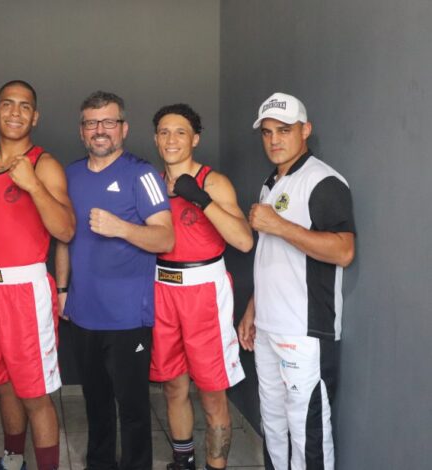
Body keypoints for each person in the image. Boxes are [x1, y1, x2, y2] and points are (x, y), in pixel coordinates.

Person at [0, 80, 75, 470]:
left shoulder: (44, 164)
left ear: (34, 117)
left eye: (24, 106)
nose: (15, 113)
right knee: (4, 386)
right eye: (8, 104)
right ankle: (13, 458)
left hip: (25, 291)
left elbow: (66, 230)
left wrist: (33, 186)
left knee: (34, 393)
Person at [55, 91, 174, 470]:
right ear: (82, 131)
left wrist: (121, 227)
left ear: (123, 128)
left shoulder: (142, 174)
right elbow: (63, 237)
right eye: (92, 123)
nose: (100, 130)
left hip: (128, 318)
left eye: (108, 122)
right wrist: (62, 289)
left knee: (134, 409)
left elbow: (166, 238)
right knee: (96, 403)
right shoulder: (69, 175)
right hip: (83, 313)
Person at [238, 92, 356, 470]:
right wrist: (252, 309)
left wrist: (279, 225)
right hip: (269, 325)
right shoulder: (272, 182)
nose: (274, 140)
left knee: (307, 431)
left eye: (284, 130)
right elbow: (273, 258)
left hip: (305, 330)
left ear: (305, 130)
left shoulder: (323, 181)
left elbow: (343, 251)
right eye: (267, 132)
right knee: (273, 424)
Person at [148, 104, 253, 470]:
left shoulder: (213, 182)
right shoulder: (151, 184)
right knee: (173, 386)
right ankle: (184, 461)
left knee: (211, 391)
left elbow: (244, 241)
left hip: (204, 291)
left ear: (195, 139)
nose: (171, 139)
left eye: (180, 132)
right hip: (162, 288)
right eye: (164, 132)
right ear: (155, 139)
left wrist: (200, 198)